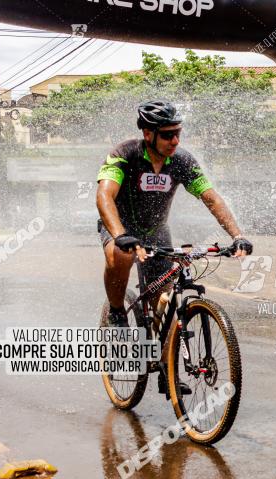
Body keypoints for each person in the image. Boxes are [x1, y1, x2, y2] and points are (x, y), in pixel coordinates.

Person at [96, 100, 252, 327]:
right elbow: (105, 196)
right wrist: (120, 235)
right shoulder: (125, 154)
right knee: (121, 255)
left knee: (162, 302)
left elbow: (211, 197)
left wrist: (237, 236)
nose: (175, 141)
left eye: (178, 133)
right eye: (168, 135)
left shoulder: (181, 160)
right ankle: (117, 311)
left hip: (156, 231)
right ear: (148, 134)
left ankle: (159, 353)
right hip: (120, 227)